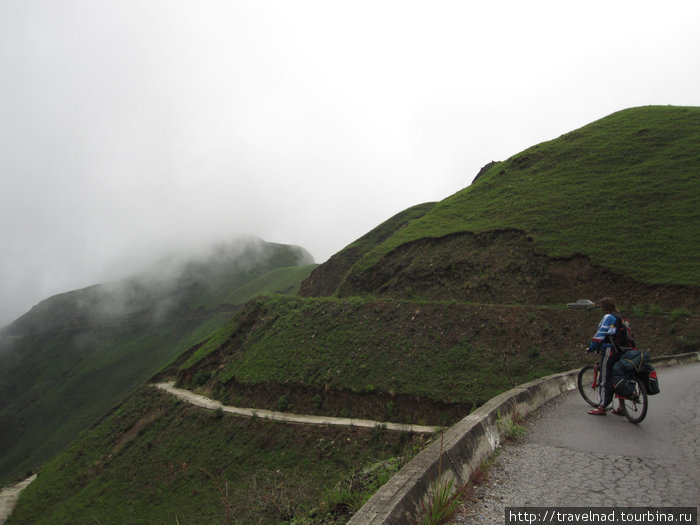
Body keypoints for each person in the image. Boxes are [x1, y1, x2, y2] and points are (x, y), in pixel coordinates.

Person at [586, 297, 624, 416]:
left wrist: (591, 347)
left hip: (610, 350)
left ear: (605, 307)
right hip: (622, 350)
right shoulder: (620, 317)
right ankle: (622, 407)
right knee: (618, 377)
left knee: (605, 378)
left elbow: (600, 335)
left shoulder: (608, 317)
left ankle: (602, 407)